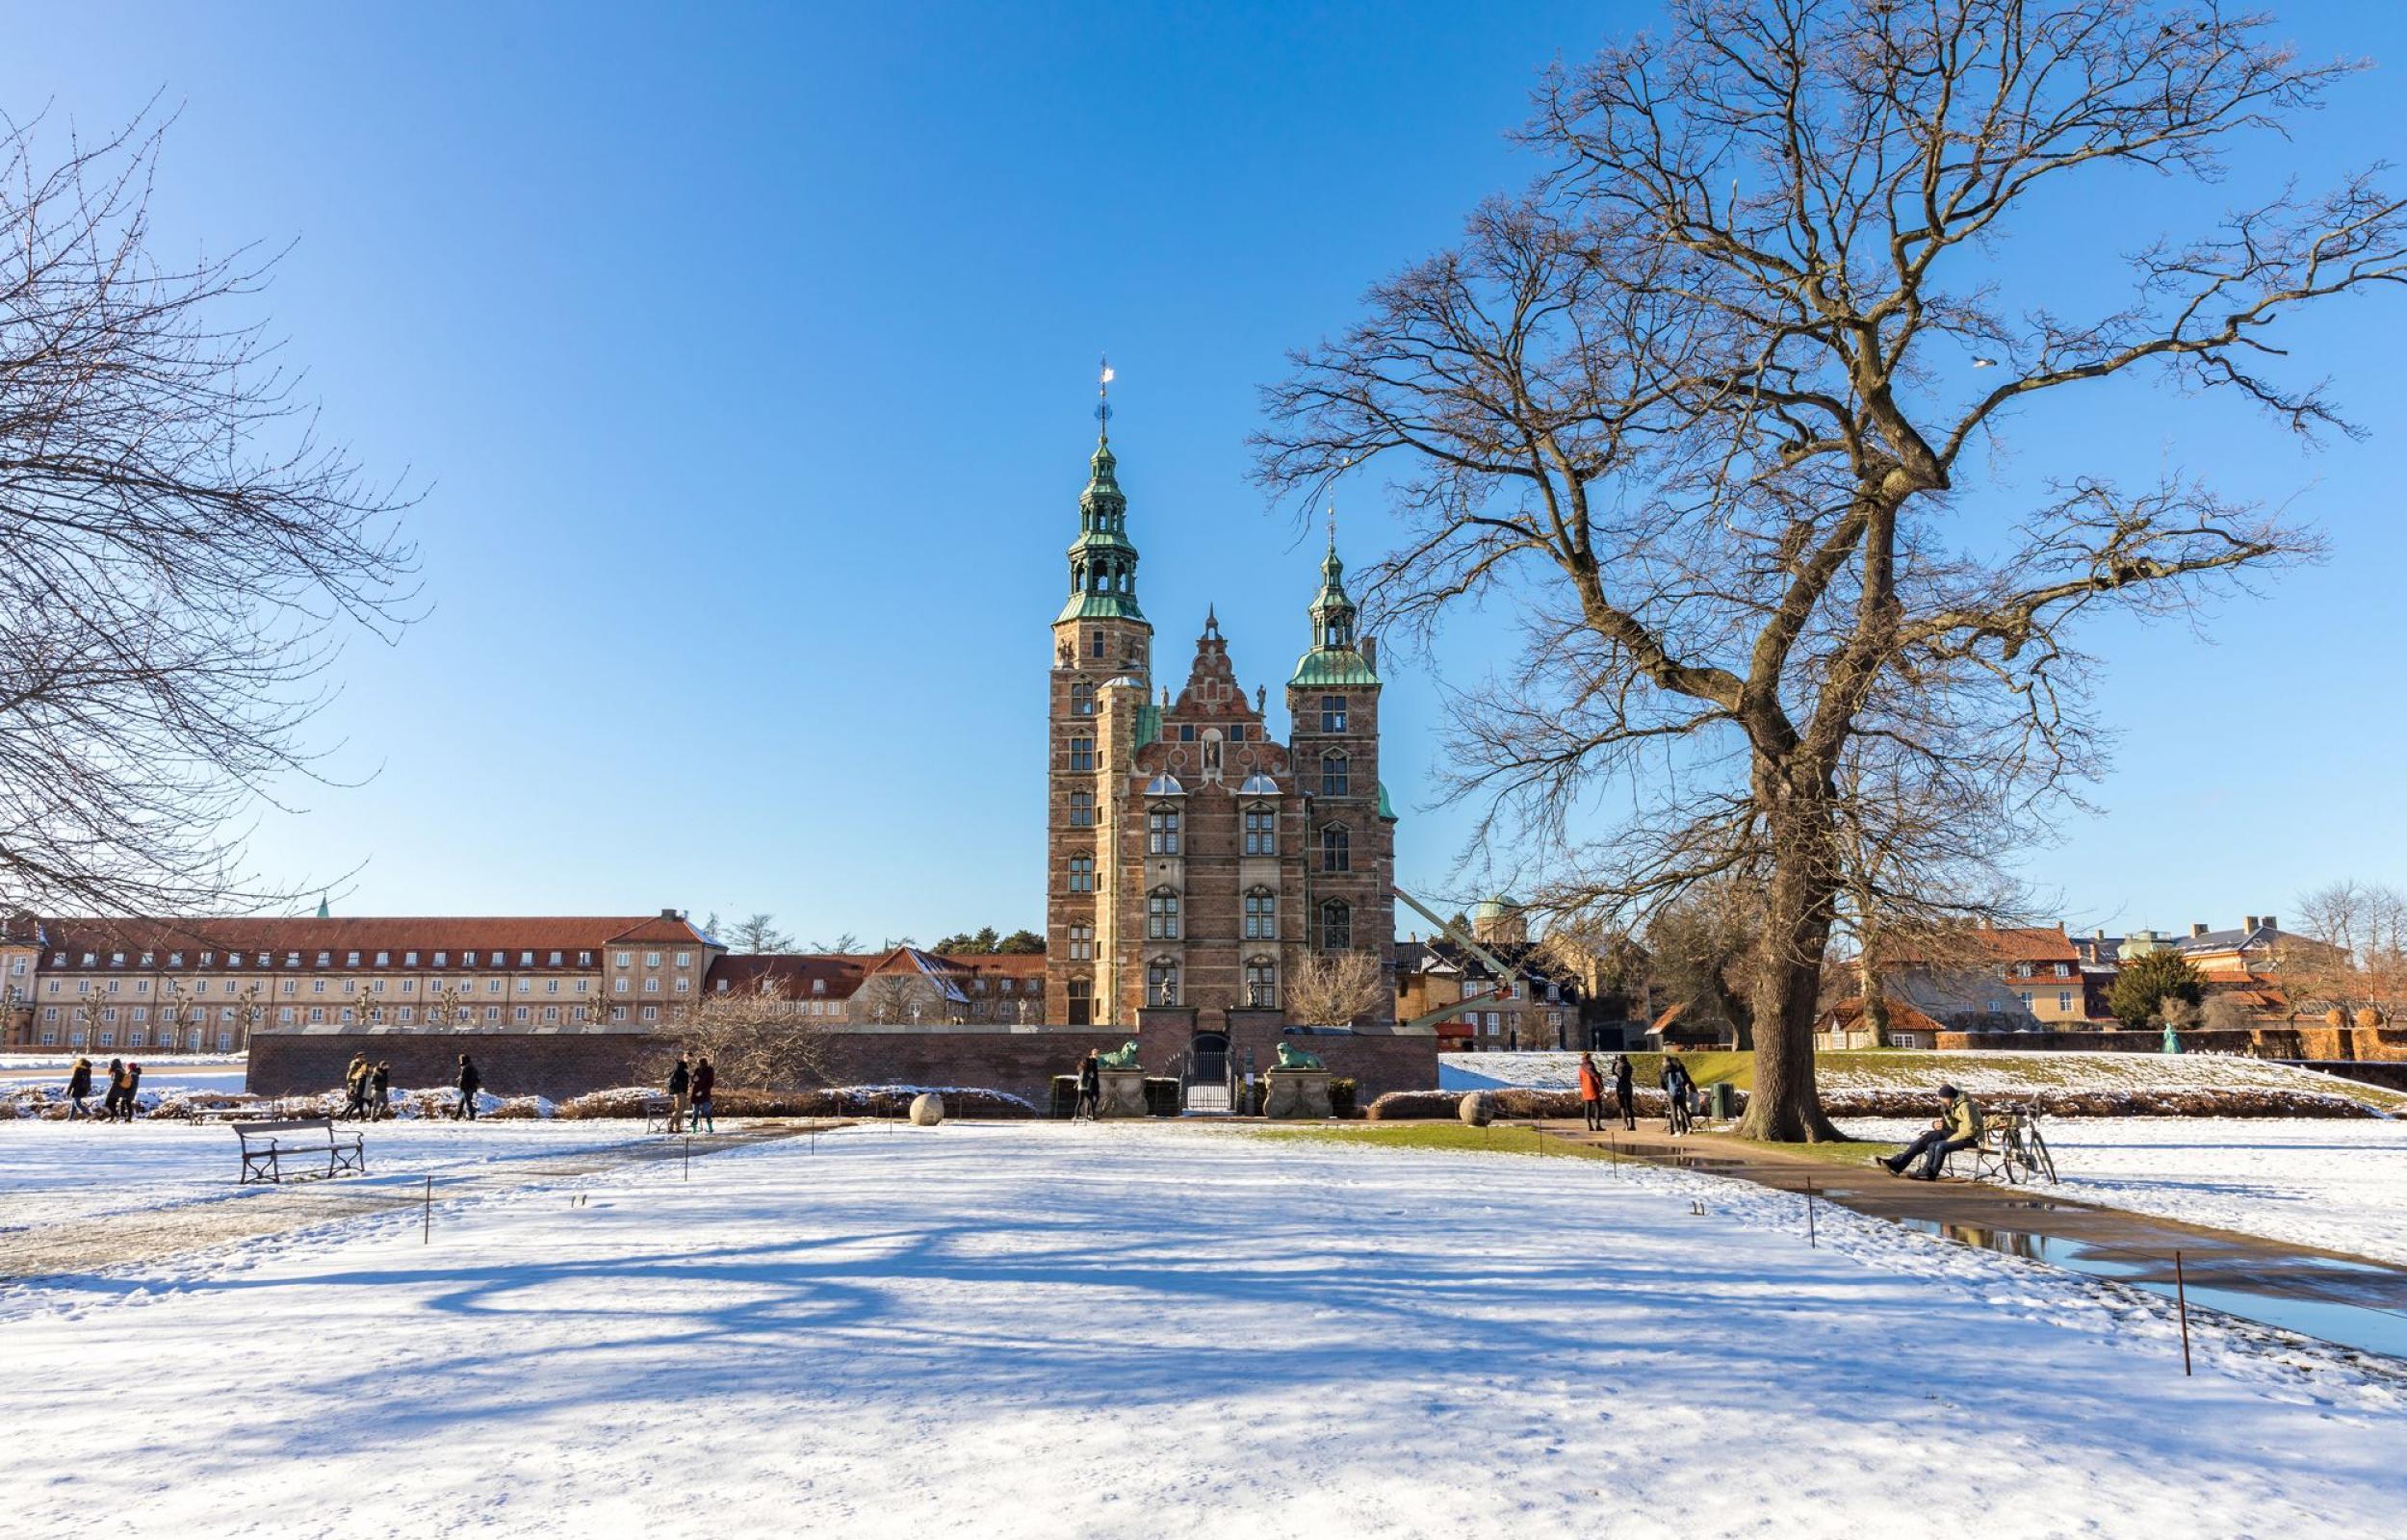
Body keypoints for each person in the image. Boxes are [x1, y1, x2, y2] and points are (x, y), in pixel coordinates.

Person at [1877, 1085, 1985, 1181]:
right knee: (1928, 1138)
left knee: (1933, 1141)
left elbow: (1968, 1130)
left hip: (1966, 1136)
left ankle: (1900, 1165)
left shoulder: (1965, 1106)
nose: (1941, 1101)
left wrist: (1949, 1139)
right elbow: (1953, 1125)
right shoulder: (1953, 1104)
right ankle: (1900, 1165)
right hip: (1955, 1132)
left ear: (1949, 1097)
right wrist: (1943, 1118)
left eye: (1942, 1098)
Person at [1659, 1055, 1693, 1137]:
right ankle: (1689, 1127)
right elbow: (1685, 1079)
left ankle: (1677, 1131)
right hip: (1681, 1091)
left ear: (1665, 1062)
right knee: (1684, 1109)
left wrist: (1666, 1089)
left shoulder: (1663, 1071)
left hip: (1671, 1093)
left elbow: (1661, 1084)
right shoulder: (1678, 1067)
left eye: (1663, 1062)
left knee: (1673, 1112)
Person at [1576, 1052, 1605, 1132]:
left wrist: (1582, 1087)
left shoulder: (1581, 1067)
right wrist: (1601, 1085)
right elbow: (1595, 1076)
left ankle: (1589, 1125)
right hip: (1593, 1088)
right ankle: (1597, 1125)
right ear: (1589, 1058)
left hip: (1585, 1088)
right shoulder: (1590, 1065)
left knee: (1587, 1107)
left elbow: (1580, 1079)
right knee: (1598, 1106)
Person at [665, 1053, 692, 1133]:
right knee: (678, 1109)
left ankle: (677, 1127)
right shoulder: (680, 1066)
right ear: (685, 1057)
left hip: (683, 1090)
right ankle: (670, 1127)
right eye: (689, 1058)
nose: (690, 1060)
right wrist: (680, 1086)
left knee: (681, 1110)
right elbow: (675, 1077)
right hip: (679, 1091)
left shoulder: (684, 1067)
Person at [689, 1056, 715, 1133]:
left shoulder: (709, 1070)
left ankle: (710, 1128)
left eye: (700, 1063)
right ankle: (694, 1129)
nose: (699, 1065)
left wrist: (702, 1091)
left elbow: (710, 1084)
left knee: (707, 1111)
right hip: (696, 1093)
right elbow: (693, 1080)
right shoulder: (697, 1070)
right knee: (695, 1112)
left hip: (705, 1094)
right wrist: (694, 1079)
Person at [341, 1053, 371, 1119]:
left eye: (364, 1056)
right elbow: (349, 1077)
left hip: (363, 1085)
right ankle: (346, 1114)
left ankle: (345, 1114)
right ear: (358, 1057)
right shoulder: (354, 1065)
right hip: (356, 1085)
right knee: (358, 1102)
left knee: (359, 1102)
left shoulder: (364, 1064)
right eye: (362, 1057)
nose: (364, 1058)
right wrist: (352, 1086)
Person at [1611, 1053, 1636, 1131]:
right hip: (1628, 1086)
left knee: (1622, 1106)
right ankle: (1633, 1124)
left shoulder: (1618, 1067)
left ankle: (1625, 1124)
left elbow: (1613, 1071)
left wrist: (1614, 1062)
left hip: (1621, 1087)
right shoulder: (1629, 1066)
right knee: (1629, 1106)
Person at [1074, 1050, 1100, 1121]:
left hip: (1082, 1088)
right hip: (1085, 1088)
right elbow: (1091, 1076)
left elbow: (1079, 1078)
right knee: (1087, 1101)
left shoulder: (1082, 1069)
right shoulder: (1087, 1070)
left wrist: (1076, 1085)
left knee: (1081, 1101)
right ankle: (1090, 1116)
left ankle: (1076, 1116)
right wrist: (1092, 1076)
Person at [454, 1052, 482, 1121]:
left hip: (467, 1088)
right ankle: (457, 1116)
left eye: (461, 1060)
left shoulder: (465, 1068)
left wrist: (460, 1086)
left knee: (468, 1102)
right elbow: (477, 1078)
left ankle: (471, 1115)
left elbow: (463, 1079)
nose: (460, 1062)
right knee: (462, 1102)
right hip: (472, 1087)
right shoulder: (473, 1067)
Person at [65, 1056, 94, 1121]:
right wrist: (89, 1089)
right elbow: (89, 1080)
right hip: (84, 1089)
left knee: (77, 1104)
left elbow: (73, 1081)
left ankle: (89, 1114)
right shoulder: (88, 1070)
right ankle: (70, 1118)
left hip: (78, 1089)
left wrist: (68, 1091)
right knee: (74, 1104)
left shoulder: (78, 1070)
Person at [101, 1057, 128, 1121]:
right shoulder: (122, 1070)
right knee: (112, 1105)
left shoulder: (117, 1071)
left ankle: (116, 1116)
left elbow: (114, 1083)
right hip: (119, 1092)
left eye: (111, 1064)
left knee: (108, 1104)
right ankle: (113, 1118)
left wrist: (109, 1092)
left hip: (114, 1092)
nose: (110, 1066)